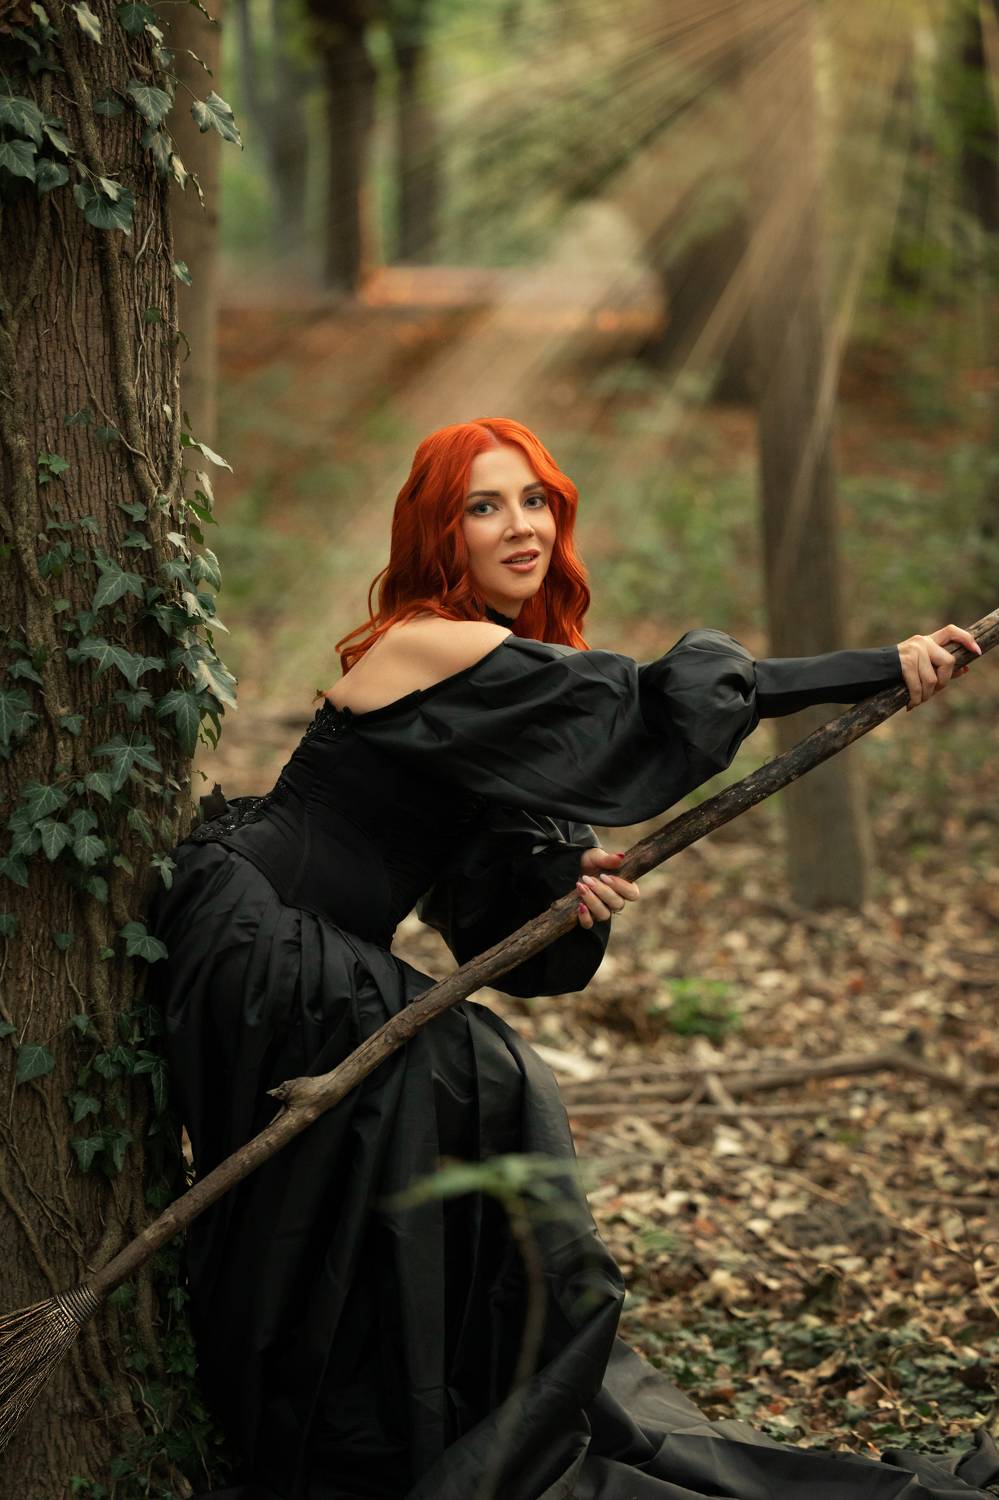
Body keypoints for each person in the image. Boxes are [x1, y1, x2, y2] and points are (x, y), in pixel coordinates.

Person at [146, 417, 992, 1500]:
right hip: (259, 929)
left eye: (535, 500)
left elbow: (486, 910)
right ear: (440, 533)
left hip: (301, 950)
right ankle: (411, 1407)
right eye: (484, 506)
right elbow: (649, 703)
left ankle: (431, 1397)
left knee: (463, 1096)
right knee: (485, 1076)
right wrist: (881, 664)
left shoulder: (490, 685)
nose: (521, 527)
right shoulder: (433, 642)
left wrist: (563, 886)